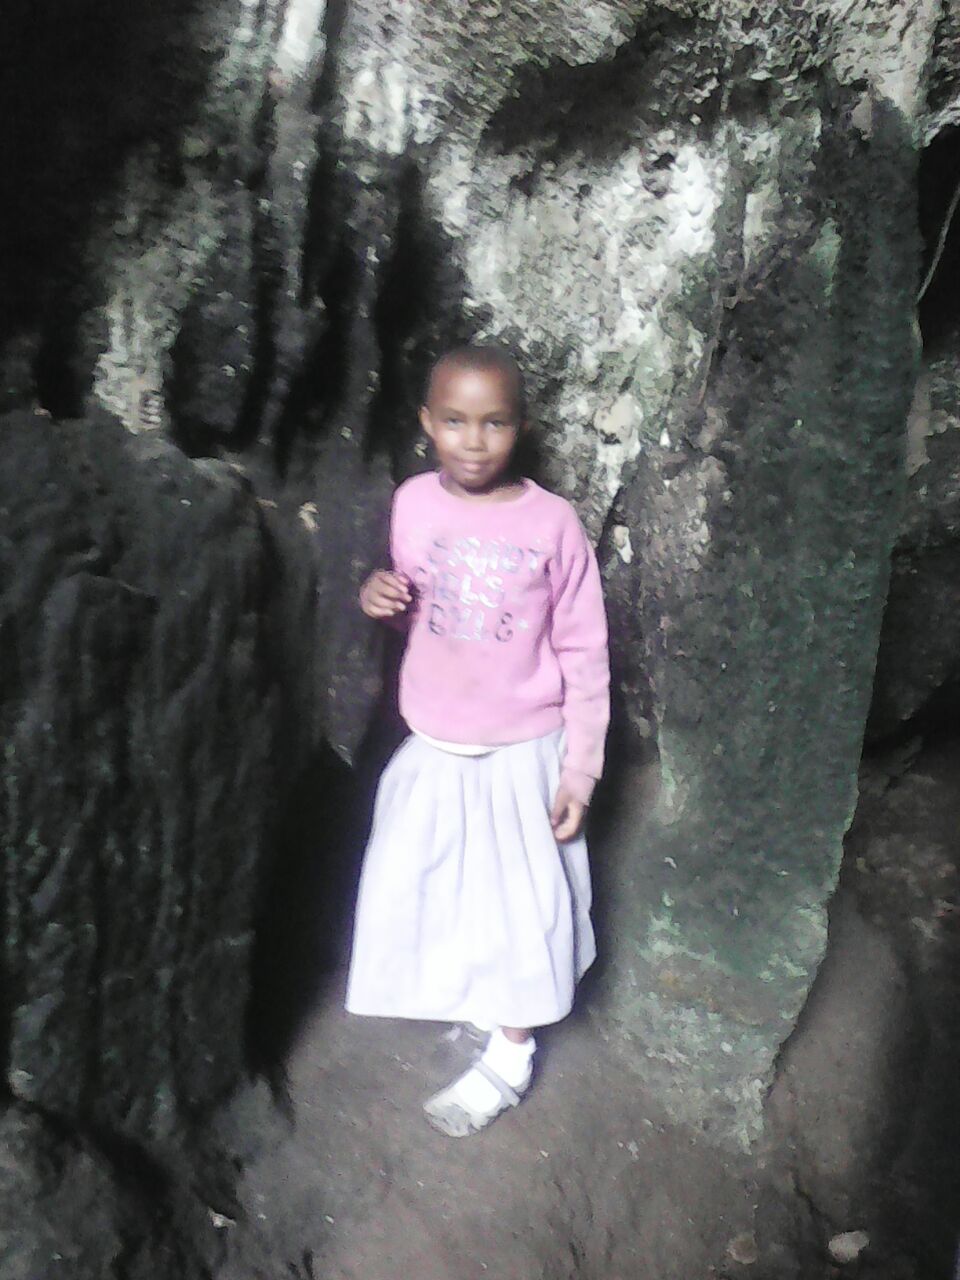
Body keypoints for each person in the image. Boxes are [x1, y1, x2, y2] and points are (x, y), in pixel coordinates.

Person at [346, 343, 610, 1137]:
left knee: (521, 909)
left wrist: (580, 770)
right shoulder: (413, 504)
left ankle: (512, 1053)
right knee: (442, 890)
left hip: (523, 754)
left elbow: (585, 650)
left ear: (520, 428)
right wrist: (378, 598)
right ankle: (480, 1000)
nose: (474, 440)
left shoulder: (552, 524)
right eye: (456, 421)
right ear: (428, 423)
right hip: (436, 746)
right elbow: (419, 609)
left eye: (494, 422)